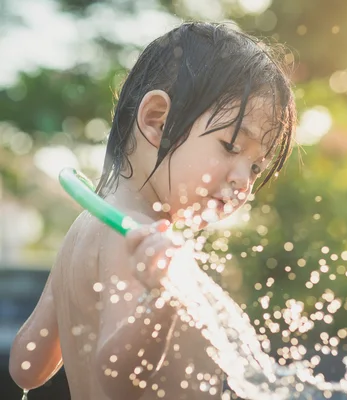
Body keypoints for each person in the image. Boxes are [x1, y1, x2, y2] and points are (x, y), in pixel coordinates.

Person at [9, 21, 296, 400]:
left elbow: (26, 367)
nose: (244, 180)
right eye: (231, 146)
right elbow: (116, 379)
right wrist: (155, 299)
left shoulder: (87, 225)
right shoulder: (135, 237)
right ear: (157, 122)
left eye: (257, 167)